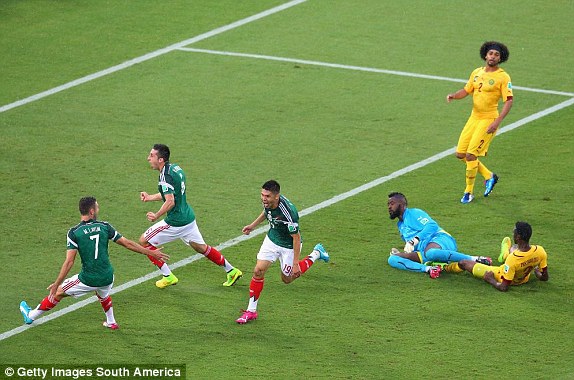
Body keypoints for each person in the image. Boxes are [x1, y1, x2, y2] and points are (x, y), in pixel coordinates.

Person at [19, 197, 170, 330]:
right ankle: (111, 322)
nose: (98, 209)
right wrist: (152, 252)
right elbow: (128, 244)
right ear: (91, 211)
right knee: (102, 292)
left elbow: (69, 261)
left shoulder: (74, 232)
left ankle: (31, 316)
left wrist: (57, 283)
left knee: (57, 292)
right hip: (108, 277)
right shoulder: (105, 226)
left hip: (89, 279)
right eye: (97, 207)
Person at [139, 144, 242, 288]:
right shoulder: (176, 169)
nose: (148, 158)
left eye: (151, 155)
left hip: (176, 222)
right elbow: (172, 194)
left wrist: (156, 215)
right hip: (188, 218)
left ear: (160, 159)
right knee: (201, 247)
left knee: (143, 241)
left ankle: (167, 276)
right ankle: (231, 270)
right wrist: (150, 197)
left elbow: (170, 201)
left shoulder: (164, 176)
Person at [235, 180, 330, 324]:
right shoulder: (268, 203)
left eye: (267, 196)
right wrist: (253, 226)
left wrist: (295, 263)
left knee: (287, 279)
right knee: (258, 271)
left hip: (289, 246)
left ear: (276, 196)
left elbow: (296, 238)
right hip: (272, 240)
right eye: (262, 195)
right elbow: (266, 212)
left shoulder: (289, 213)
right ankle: (251, 311)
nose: (263, 198)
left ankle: (316, 253)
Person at [446, 41, 513, 204]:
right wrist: (454, 95)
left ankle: (468, 192)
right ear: (485, 55)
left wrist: (497, 122)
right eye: (491, 53)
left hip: (489, 119)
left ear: (500, 58)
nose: (493, 56)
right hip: (474, 118)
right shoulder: (476, 72)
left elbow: (509, 100)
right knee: (460, 154)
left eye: (496, 54)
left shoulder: (503, 77)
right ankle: (489, 176)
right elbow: (467, 90)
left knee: (471, 155)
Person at [387, 192, 491, 279]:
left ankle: (475, 259)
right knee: (392, 259)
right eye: (388, 205)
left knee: (431, 253)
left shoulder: (413, 213)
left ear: (401, 204)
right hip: (423, 252)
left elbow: (432, 226)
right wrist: (404, 251)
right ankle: (429, 269)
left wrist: (414, 240)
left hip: (441, 239)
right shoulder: (400, 225)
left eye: (392, 203)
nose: (389, 207)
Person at [455, 222, 548, 291]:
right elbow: (545, 277)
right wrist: (537, 273)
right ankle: (504, 253)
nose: (513, 234)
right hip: (524, 278)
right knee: (514, 248)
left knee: (463, 262)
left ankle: (444, 268)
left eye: (514, 233)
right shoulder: (540, 251)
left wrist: (491, 279)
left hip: (500, 274)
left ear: (518, 237)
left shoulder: (512, 259)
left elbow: (503, 287)